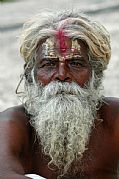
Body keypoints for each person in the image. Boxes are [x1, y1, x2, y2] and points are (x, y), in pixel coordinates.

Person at [0, 10, 119, 179]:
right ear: (30, 76)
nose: (62, 75)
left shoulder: (113, 119)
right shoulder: (11, 124)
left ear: (96, 75)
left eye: (76, 63)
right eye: (49, 64)